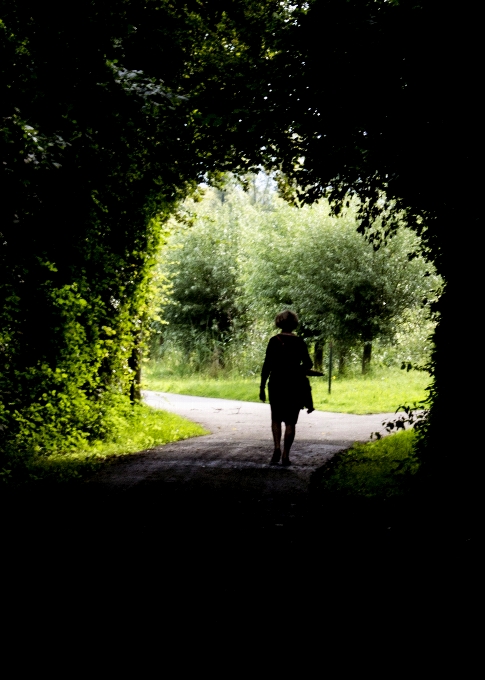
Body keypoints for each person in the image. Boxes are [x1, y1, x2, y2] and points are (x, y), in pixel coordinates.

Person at [259, 310, 316, 466]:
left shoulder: (274, 341)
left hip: (276, 383)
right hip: (295, 384)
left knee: (276, 418)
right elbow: (309, 363)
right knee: (291, 421)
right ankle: (286, 455)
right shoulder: (299, 342)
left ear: (279, 323)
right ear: (294, 324)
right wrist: (298, 368)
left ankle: (276, 447)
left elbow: (267, 365)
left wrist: (262, 387)